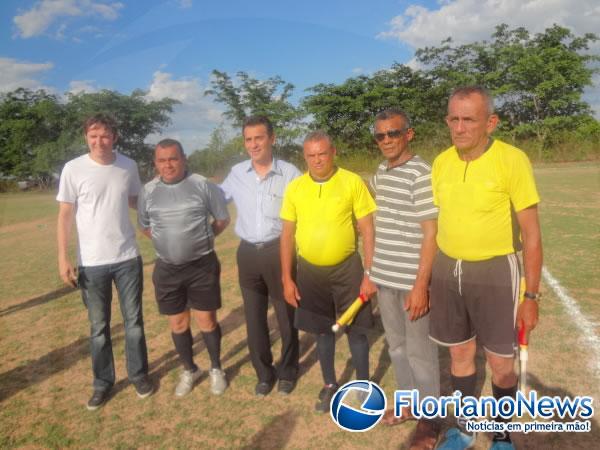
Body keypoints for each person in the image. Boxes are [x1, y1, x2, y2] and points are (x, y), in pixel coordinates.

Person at [429, 86, 542, 450]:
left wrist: (531, 296)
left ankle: (503, 434)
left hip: (495, 272)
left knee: (501, 362)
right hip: (448, 269)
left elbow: (532, 234)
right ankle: (462, 428)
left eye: (469, 119)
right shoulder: (442, 162)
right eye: (453, 119)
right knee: (459, 354)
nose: (459, 128)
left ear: (490, 122)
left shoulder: (512, 160)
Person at [57, 114, 152, 411]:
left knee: (134, 322)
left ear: (115, 136)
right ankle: (102, 383)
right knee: (99, 327)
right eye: (93, 135)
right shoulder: (73, 169)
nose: (99, 141)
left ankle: (139, 375)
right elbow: (64, 215)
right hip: (91, 263)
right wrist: (63, 258)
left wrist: (160, 212)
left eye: (105, 135)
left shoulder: (128, 166)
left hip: (127, 258)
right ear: (86, 137)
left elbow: (137, 201)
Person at [280, 131, 377, 413]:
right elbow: (286, 235)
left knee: (357, 331)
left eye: (322, 153)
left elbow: (368, 230)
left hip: (348, 268)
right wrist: (287, 278)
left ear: (333, 152)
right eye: (311, 155)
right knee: (322, 332)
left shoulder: (351, 182)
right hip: (309, 271)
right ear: (305, 157)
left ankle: (363, 386)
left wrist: (369, 273)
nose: (317, 159)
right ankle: (330, 385)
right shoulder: (296, 188)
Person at [370, 109, 441, 449]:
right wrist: (372, 274)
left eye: (392, 134)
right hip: (385, 277)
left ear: (408, 134)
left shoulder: (422, 173)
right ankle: (407, 402)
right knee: (397, 347)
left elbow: (431, 234)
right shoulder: (380, 173)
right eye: (380, 136)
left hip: (412, 281)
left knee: (420, 352)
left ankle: (430, 420)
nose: (386, 141)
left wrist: (421, 285)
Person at [138, 139, 230, 396]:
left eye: (173, 158)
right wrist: (168, 244)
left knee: (207, 321)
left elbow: (222, 219)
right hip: (167, 269)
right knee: (178, 323)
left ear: (183, 158)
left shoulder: (203, 185)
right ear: (155, 163)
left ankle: (215, 368)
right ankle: (189, 369)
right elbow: (145, 226)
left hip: (202, 265)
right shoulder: (148, 191)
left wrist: (200, 241)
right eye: (162, 160)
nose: (168, 165)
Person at [220, 116, 300, 396]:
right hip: (247, 254)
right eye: (248, 139)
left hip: (279, 251)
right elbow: (217, 200)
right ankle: (264, 374)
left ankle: (288, 370)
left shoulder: (290, 173)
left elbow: (305, 210)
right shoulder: (237, 173)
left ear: (272, 139)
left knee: (286, 315)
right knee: (254, 318)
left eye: (259, 138)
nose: (253, 144)